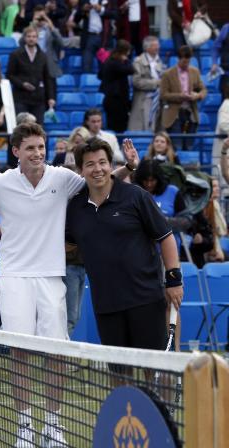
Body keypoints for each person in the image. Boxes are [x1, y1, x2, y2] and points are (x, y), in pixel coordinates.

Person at [0, 122, 137, 448]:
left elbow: (100, 181)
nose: (37, 153)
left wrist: (128, 167)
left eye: (40, 147)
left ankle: (52, 424)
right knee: (20, 352)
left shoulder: (62, 178)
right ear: (16, 152)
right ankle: (25, 424)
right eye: (30, 148)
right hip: (13, 277)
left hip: (53, 276)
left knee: (56, 353)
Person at [66, 137, 183, 354]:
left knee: (157, 368)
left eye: (102, 162)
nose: (97, 169)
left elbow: (165, 237)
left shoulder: (136, 196)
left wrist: (174, 279)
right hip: (106, 304)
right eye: (90, 164)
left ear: (111, 165)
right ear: (80, 170)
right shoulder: (75, 208)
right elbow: (68, 246)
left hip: (146, 299)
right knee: (118, 372)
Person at [160, 45, 207, 153]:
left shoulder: (195, 72)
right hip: (174, 114)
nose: (186, 64)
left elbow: (204, 90)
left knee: (190, 145)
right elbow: (163, 95)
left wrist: (197, 95)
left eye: (188, 61)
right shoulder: (168, 74)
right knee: (176, 146)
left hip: (191, 113)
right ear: (179, 59)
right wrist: (180, 96)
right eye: (184, 62)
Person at [6, 25, 54, 123]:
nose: (31, 39)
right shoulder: (16, 54)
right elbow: (9, 75)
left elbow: (47, 78)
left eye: (34, 36)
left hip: (38, 99)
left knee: (38, 128)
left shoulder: (43, 56)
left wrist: (51, 97)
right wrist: (22, 84)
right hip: (21, 98)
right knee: (21, 127)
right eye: (29, 36)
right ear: (24, 38)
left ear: (37, 38)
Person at [128, 36, 164, 133]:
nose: (157, 48)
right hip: (144, 99)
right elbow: (136, 82)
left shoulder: (160, 61)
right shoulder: (138, 61)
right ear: (147, 48)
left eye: (157, 45)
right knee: (146, 127)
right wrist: (156, 83)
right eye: (154, 46)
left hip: (159, 99)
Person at [99, 40, 134, 133]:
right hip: (116, 100)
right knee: (117, 127)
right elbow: (131, 70)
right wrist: (126, 60)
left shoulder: (109, 61)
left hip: (116, 98)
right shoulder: (114, 63)